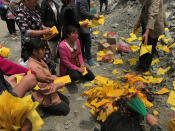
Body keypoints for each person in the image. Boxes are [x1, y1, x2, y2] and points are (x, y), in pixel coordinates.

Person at [27, 38, 70, 116]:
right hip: (43, 94)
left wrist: (57, 78)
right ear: (34, 52)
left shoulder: (38, 59)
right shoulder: (34, 68)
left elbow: (48, 76)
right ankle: (43, 107)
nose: (44, 51)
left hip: (48, 87)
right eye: (42, 50)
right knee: (65, 110)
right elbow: (44, 89)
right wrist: (59, 84)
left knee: (66, 101)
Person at [13, 0, 56, 74]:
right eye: (34, 1)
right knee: (37, 67)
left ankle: (49, 75)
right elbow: (26, 32)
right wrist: (44, 32)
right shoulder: (20, 14)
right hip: (32, 45)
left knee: (47, 62)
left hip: (41, 41)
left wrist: (44, 27)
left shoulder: (32, 9)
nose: (36, 3)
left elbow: (38, 22)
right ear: (26, 1)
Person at [135, 0, 167, 72]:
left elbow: (153, 15)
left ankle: (144, 67)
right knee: (145, 44)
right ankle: (142, 63)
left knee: (150, 45)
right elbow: (144, 7)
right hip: (146, 22)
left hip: (155, 25)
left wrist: (146, 33)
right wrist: (139, 20)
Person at [76, 0, 99, 66]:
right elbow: (83, 12)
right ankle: (88, 58)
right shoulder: (83, 1)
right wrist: (93, 16)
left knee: (82, 41)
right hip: (83, 24)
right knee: (87, 41)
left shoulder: (85, 1)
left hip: (81, 24)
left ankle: (83, 56)